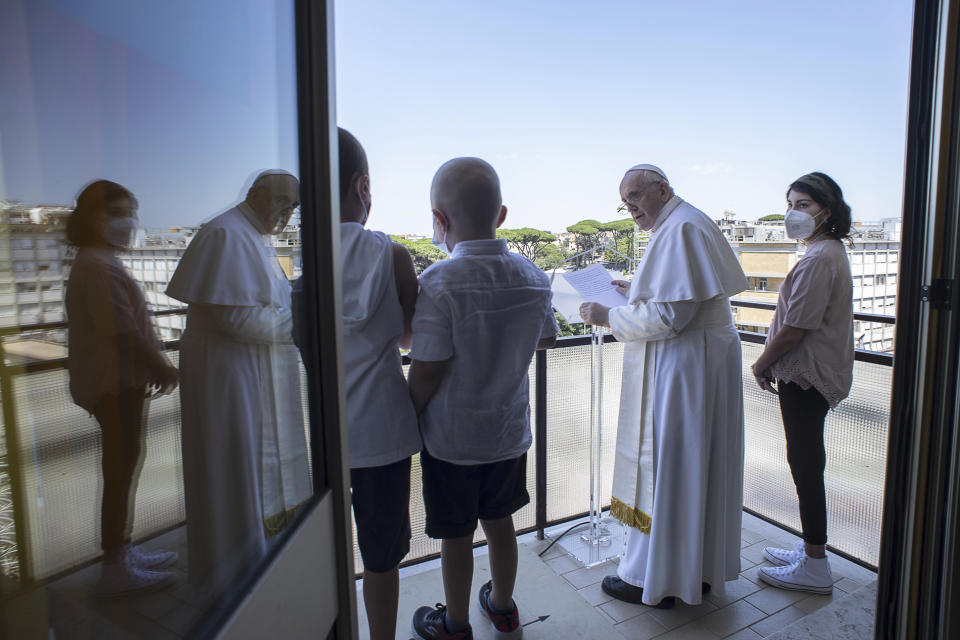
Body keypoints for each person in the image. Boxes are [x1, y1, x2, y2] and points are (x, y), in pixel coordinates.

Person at [579, 164, 748, 608]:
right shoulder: (683, 221)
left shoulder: (681, 228)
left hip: (687, 367)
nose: (630, 206)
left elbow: (672, 317)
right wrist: (634, 285)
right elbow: (681, 294)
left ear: (663, 189)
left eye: (636, 195)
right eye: (625, 200)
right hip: (701, 360)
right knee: (698, 467)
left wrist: (608, 316)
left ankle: (656, 580)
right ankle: (697, 571)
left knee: (671, 467)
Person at [408, 158, 557, 640]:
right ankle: (503, 606)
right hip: (509, 432)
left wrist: (405, 414)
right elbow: (547, 338)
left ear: (439, 219)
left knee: (456, 535)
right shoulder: (534, 277)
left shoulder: (438, 281)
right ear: (503, 214)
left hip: (452, 439)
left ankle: (453, 625)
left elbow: (426, 367)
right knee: (501, 523)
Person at [166, 171, 311, 593]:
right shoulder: (226, 234)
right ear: (255, 195)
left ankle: (255, 568)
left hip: (248, 374)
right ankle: (233, 578)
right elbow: (238, 319)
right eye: (283, 203)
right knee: (233, 472)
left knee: (245, 472)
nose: (287, 213)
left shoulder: (251, 236)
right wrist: (303, 315)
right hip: (231, 380)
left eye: (294, 207)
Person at [65, 180, 179, 596]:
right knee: (119, 468)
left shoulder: (99, 261)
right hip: (114, 386)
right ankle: (115, 563)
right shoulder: (97, 265)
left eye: (131, 211)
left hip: (119, 384)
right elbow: (122, 331)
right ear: (93, 218)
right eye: (118, 212)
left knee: (123, 466)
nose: (129, 222)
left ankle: (122, 551)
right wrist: (162, 367)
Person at [335, 128, 421, 640]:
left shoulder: (302, 259)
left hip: (321, 430)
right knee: (381, 554)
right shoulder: (392, 256)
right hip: (383, 430)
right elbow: (412, 339)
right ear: (362, 186)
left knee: (322, 547)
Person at [751, 172, 854, 594]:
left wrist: (760, 363)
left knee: (806, 464)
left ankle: (815, 564)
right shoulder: (829, 251)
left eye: (804, 205)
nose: (794, 213)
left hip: (806, 375)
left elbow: (794, 329)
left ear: (827, 210)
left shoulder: (817, 259)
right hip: (813, 373)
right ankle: (811, 548)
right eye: (790, 204)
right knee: (808, 461)